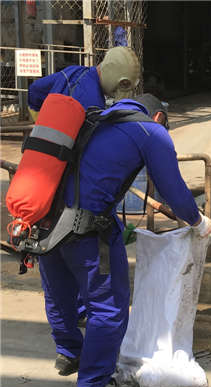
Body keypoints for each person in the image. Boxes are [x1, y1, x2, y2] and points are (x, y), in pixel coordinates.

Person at [38, 93, 211, 387]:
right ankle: (94, 384)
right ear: (160, 117)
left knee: (60, 294)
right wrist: (198, 222)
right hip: (86, 230)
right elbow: (173, 189)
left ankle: (69, 353)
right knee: (108, 306)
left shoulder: (95, 120)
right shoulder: (151, 131)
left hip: (44, 222)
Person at [28, 46, 141, 323]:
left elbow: (34, 92)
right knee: (83, 240)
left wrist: (43, 127)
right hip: (70, 181)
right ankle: (88, 309)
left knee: (53, 253)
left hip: (44, 172)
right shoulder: (93, 104)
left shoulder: (72, 73)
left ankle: (70, 322)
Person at [27, 45, 140, 121]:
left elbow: (35, 89)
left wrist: (41, 122)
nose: (115, 94)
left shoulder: (73, 71)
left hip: (42, 143)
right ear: (111, 71)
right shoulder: (94, 105)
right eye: (119, 87)